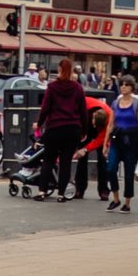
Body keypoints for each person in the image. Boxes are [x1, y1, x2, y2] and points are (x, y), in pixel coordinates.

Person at [39, 58, 89, 202]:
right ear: (72, 71)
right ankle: (61, 194)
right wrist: (84, 130)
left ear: (59, 70)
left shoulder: (52, 87)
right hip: (72, 128)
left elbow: (45, 109)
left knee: (48, 160)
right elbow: (83, 111)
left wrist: (40, 123)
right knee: (65, 162)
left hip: (54, 127)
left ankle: (42, 191)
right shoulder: (77, 88)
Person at [105, 74, 138, 212]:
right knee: (110, 168)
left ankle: (127, 202)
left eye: (127, 85)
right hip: (117, 138)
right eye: (122, 84)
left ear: (132, 87)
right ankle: (115, 198)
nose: (123, 87)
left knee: (128, 172)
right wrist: (105, 143)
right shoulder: (115, 103)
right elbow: (110, 124)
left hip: (132, 139)